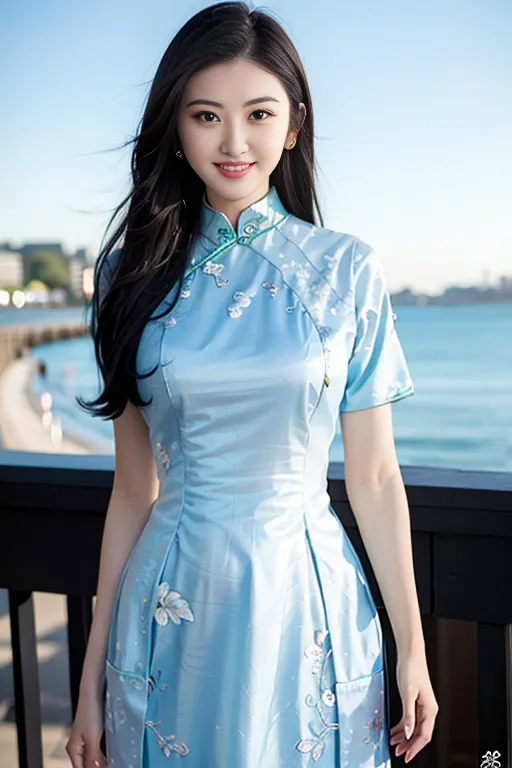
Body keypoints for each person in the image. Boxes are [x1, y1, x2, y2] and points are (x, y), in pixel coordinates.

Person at [69, 3, 438, 766]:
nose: (234, 143)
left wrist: (412, 649)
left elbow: (372, 477)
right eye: (206, 115)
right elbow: (133, 488)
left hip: (308, 601)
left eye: (258, 114)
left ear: (294, 124)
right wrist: (89, 675)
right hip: (172, 607)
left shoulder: (346, 272)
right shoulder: (128, 276)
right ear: (176, 126)